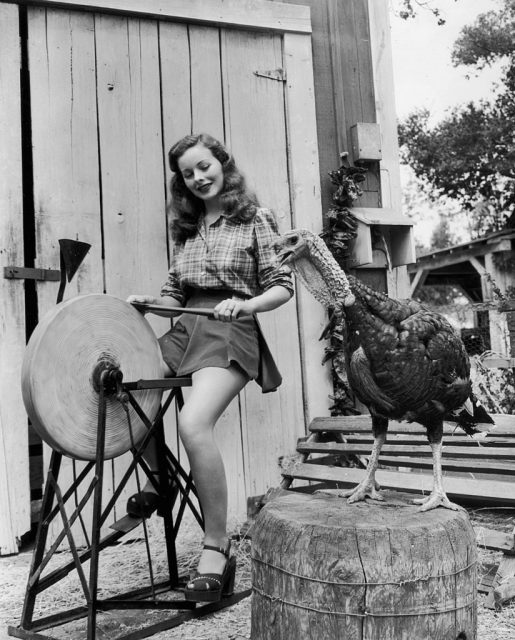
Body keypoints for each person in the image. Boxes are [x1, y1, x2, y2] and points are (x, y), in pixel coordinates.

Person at [126, 133, 293, 603]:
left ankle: (217, 548)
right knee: (125, 389)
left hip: (230, 331)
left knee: (193, 422)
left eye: (205, 166)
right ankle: (159, 485)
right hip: (187, 331)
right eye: (187, 173)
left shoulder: (254, 218)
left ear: (223, 163)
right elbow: (175, 293)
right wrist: (149, 304)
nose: (199, 178)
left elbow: (282, 285)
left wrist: (245, 305)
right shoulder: (189, 226)